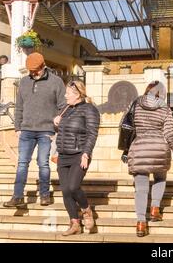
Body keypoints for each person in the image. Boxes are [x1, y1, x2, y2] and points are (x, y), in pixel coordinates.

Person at [3, 53, 66, 208]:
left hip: (46, 130)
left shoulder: (56, 82)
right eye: (30, 71)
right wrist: (18, 127)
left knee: (43, 163)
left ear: (43, 66)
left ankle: (44, 195)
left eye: (35, 70)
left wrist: (57, 124)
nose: (33, 73)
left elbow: (63, 106)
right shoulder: (24, 82)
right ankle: (17, 196)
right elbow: (19, 107)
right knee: (22, 163)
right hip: (26, 130)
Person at [126, 80, 173, 237]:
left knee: (141, 189)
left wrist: (126, 150)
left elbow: (126, 126)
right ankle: (155, 209)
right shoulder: (164, 107)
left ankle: (141, 223)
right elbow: (170, 133)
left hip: (139, 147)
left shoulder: (135, 103)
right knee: (160, 177)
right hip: (159, 148)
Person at [54, 80, 100, 236]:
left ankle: (86, 210)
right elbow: (62, 132)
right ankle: (74, 223)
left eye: (68, 93)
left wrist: (86, 153)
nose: (65, 95)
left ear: (77, 94)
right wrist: (56, 123)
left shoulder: (90, 109)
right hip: (63, 155)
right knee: (66, 191)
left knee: (73, 187)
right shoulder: (65, 109)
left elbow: (92, 134)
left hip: (79, 155)